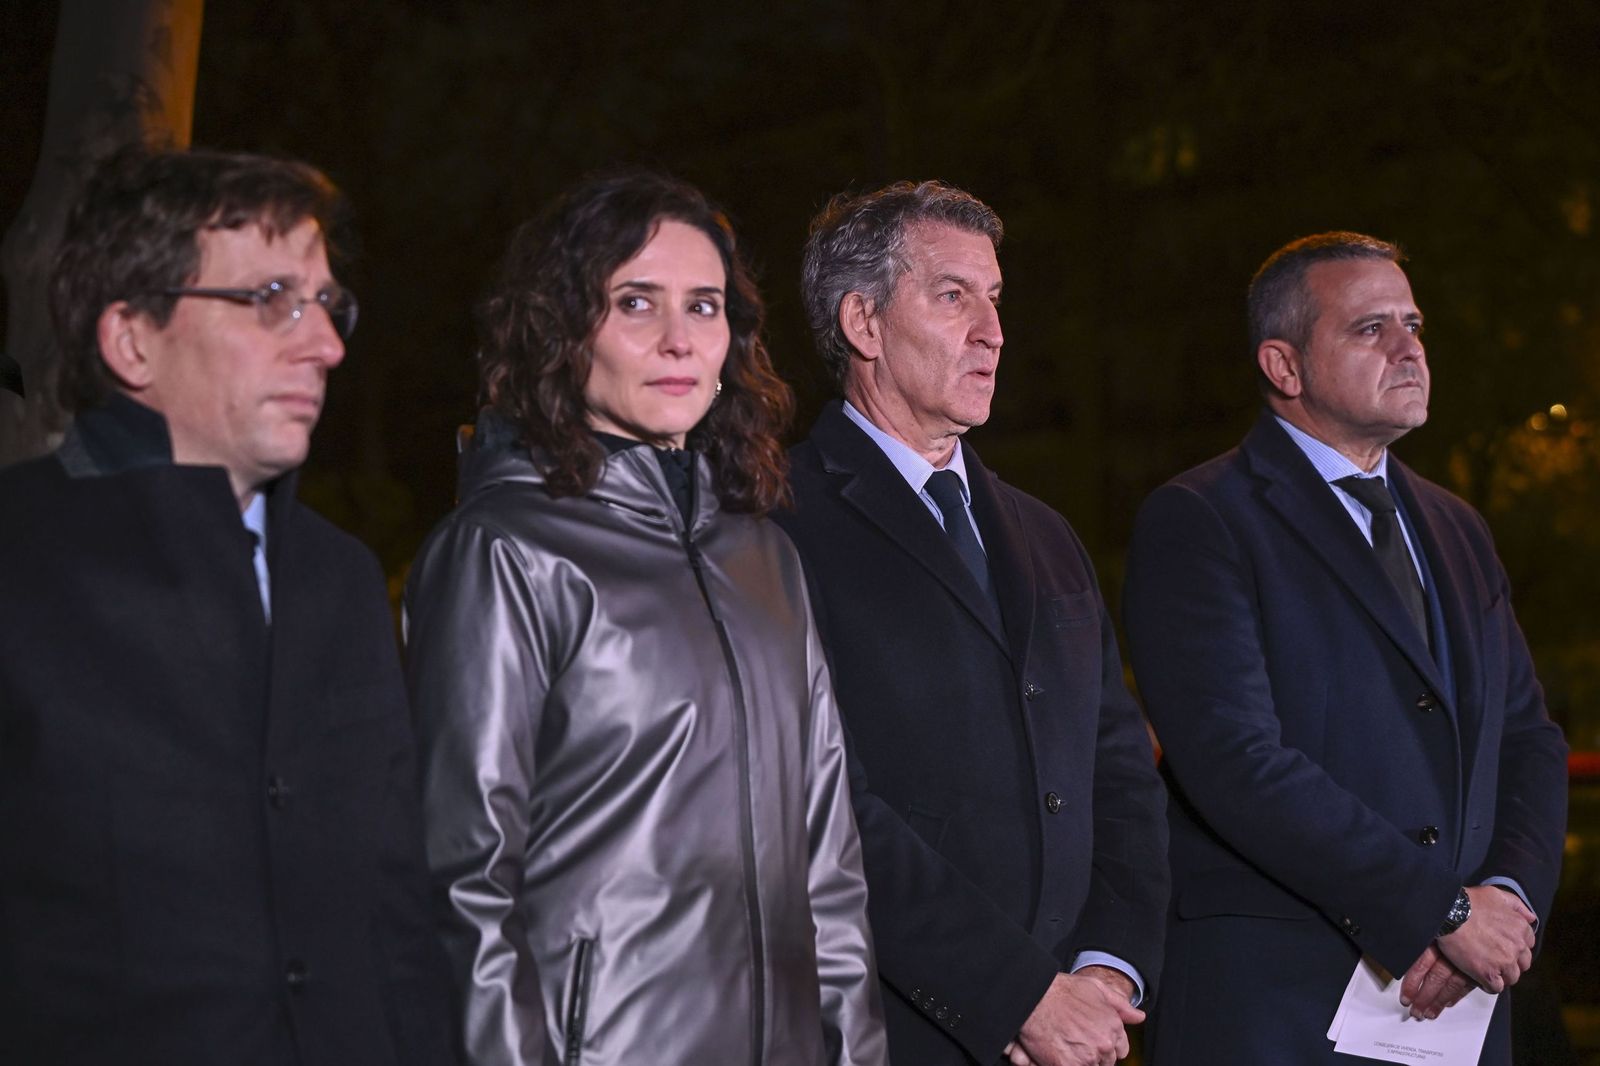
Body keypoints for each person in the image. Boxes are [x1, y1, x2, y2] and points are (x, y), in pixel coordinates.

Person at [404, 170, 887, 1066]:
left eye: (704, 306)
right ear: (562, 327)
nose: (678, 339)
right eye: (635, 302)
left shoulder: (765, 557)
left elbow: (830, 862)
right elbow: (463, 887)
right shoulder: (504, 550)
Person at [0, 147, 455, 1065]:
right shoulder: (18, 554)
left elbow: (395, 909)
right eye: (271, 298)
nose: (325, 344)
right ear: (132, 339)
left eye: (327, 304)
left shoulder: (341, 580)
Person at [1122, 232, 1569, 1064]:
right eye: (1370, 328)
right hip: (1277, 1005)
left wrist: (1505, 900)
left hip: (1463, 1005)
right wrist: (1441, 910)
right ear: (1284, 366)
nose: (1409, 348)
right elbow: (1233, 759)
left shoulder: (1458, 527)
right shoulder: (1200, 519)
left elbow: (1529, 740)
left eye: (1413, 324)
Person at [772, 180, 1170, 1066]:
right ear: (863, 323)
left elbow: (1118, 767)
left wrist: (1108, 970)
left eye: (995, 298)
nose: (993, 331)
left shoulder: (1045, 533)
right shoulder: (772, 524)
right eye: (953, 296)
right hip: (885, 1032)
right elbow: (815, 806)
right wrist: (1017, 996)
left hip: (1084, 1028)